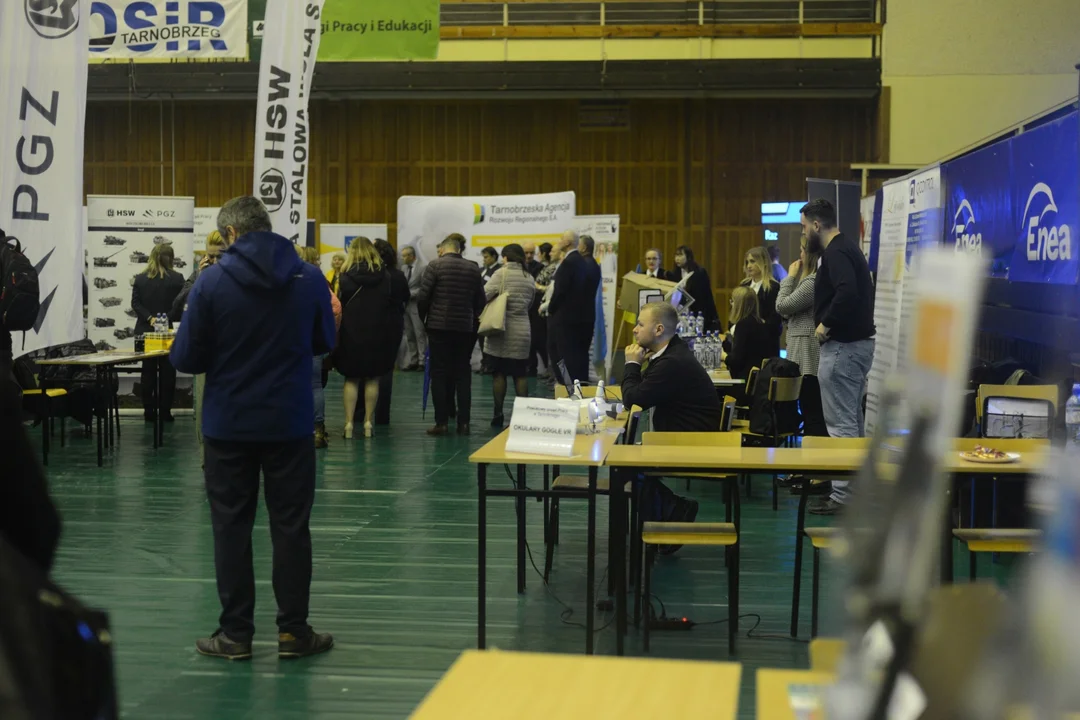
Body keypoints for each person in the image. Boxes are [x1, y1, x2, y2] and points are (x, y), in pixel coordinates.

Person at [170, 195, 336, 661]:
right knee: (291, 528)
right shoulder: (309, 278)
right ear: (266, 227)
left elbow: (186, 358)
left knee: (231, 528)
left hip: (229, 425)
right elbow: (325, 341)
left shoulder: (212, 281)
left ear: (230, 235)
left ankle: (236, 634)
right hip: (289, 422)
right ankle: (293, 633)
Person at [802, 198, 876, 515]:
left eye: (804, 227)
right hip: (855, 345)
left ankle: (844, 498)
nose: (804, 234)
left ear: (817, 225)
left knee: (841, 424)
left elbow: (847, 292)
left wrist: (824, 325)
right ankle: (853, 493)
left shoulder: (835, 253)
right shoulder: (847, 248)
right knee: (853, 423)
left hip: (843, 347)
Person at [623, 302, 722, 536]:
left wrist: (632, 364)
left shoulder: (672, 362)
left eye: (640, 324)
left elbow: (633, 399)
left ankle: (673, 513)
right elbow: (640, 389)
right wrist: (639, 366)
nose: (635, 329)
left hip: (691, 442)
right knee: (627, 461)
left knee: (625, 465)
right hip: (683, 435)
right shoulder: (670, 354)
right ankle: (670, 513)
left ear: (658, 330)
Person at [333, 237, 408, 439]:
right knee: (373, 379)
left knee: (352, 379)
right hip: (377, 333)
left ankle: (349, 424)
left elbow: (339, 305)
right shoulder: (385, 276)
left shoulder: (346, 276)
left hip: (351, 333)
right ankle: (368, 422)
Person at [417, 234, 486, 436]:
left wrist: (425, 320)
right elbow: (480, 300)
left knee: (439, 374)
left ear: (444, 249)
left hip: (439, 328)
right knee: (462, 375)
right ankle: (464, 423)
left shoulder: (434, 266)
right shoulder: (473, 268)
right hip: (464, 328)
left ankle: (442, 422)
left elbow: (423, 297)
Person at [171, 231, 228, 458]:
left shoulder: (239, 277)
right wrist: (200, 281)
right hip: (207, 353)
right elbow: (176, 307)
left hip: (233, 354)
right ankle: (207, 458)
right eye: (210, 256)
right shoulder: (199, 275)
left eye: (219, 256)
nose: (214, 261)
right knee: (204, 409)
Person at [775, 236, 827, 437]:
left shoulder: (811, 281)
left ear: (810, 254)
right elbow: (787, 310)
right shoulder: (806, 281)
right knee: (807, 409)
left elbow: (782, 306)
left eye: (802, 251)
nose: (800, 256)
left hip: (807, 355)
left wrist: (789, 277)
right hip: (800, 350)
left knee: (811, 410)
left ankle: (812, 463)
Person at [131, 243, 184, 422]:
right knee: (168, 373)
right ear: (170, 257)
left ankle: (149, 412)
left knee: (148, 372)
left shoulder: (139, 279)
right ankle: (165, 412)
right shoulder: (178, 279)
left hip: (147, 333)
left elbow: (135, 304)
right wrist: (165, 318)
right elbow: (179, 305)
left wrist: (150, 319)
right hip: (169, 333)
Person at [484, 244, 535, 427]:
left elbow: (485, 294)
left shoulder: (500, 274)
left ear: (505, 257)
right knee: (520, 375)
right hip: (522, 331)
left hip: (501, 330)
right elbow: (530, 304)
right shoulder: (528, 277)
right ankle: (523, 416)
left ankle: (498, 414)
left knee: (499, 374)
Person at [298, 246, 342, 449]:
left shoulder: (281, 280)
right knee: (315, 385)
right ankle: (318, 431)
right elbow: (336, 307)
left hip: (290, 341)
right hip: (314, 338)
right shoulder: (318, 280)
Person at [548, 231, 601, 384]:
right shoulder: (587, 264)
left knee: (564, 356)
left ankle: (568, 388)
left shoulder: (569, 263)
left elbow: (560, 291)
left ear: (567, 243)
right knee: (580, 356)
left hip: (567, 319)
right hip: (585, 317)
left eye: (561, 239)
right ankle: (579, 388)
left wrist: (551, 309)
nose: (559, 241)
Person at [722, 286, 774, 403]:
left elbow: (736, 361)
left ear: (739, 305)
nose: (731, 304)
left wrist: (723, 356)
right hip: (759, 387)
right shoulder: (761, 323)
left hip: (746, 388)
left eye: (732, 301)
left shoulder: (743, 325)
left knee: (714, 391)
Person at [667, 246, 720, 332]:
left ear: (688, 256)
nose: (677, 258)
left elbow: (704, 297)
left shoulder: (699, 273)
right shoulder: (673, 275)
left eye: (680, 255)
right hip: (680, 314)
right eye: (676, 255)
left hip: (697, 313)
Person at [740, 246, 782, 342]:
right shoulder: (743, 285)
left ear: (763, 262)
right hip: (743, 340)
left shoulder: (773, 287)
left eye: (752, 261)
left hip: (765, 341)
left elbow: (775, 320)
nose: (749, 266)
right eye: (747, 262)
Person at [400, 245, 426, 371]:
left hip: (416, 304)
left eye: (404, 255)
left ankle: (422, 361)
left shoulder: (422, 268)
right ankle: (413, 360)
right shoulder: (403, 268)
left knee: (419, 333)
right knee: (409, 334)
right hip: (405, 305)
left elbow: (424, 288)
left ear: (411, 256)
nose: (402, 258)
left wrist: (410, 294)